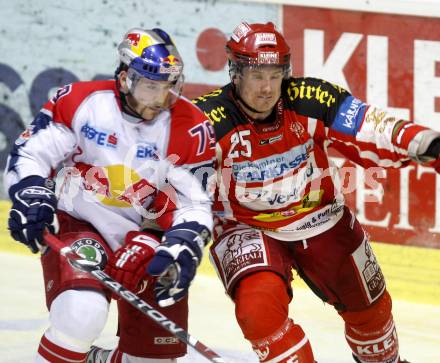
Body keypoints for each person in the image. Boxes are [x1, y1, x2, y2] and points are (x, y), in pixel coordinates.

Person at [192, 21, 440, 363]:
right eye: (256, 76)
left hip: (320, 216)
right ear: (235, 73)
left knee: (372, 314)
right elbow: (176, 183)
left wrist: (422, 141)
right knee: (257, 308)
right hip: (246, 228)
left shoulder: (310, 97)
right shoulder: (206, 120)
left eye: (274, 75)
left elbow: (369, 126)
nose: (266, 88)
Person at [5, 27, 215, 363]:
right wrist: (30, 192)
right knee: (81, 314)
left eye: (168, 86)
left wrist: (177, 243)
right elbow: (31, 153)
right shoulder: (81, 102)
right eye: (150, 87)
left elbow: (196, 203)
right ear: (124, 78)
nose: (160, 98)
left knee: (152, 358)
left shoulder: (192, 127)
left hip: (150, 240)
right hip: (80, 224)